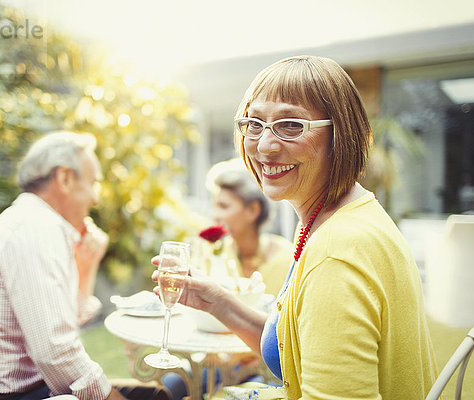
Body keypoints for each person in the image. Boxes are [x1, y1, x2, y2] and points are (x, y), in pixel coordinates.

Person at [155, 56, 439, 399]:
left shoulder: (336, 250)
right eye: (254, 123)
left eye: (291, 125)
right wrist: (219, 303)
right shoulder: (335, 217)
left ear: (340, 135)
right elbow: (296, 347)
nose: (265, 145)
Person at [0, 132, 170, 400]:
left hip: (21, 387)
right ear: (65, 178)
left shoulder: (36, 222)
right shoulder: (34, 228)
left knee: (156, 396)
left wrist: (87, 264)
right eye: (93, 182)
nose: (95, 198)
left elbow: (65, 325)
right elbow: (55, 352)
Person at [205, 159, 293, 296]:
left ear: (253, 210)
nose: (215, 215)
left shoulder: (288, 258)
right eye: (215, 205)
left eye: (223, 206)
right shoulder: (214, 256)